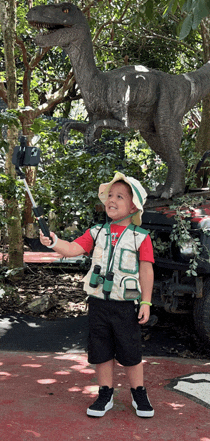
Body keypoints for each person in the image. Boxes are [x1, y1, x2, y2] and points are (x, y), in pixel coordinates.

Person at [40, 172, 154, 418]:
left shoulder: (141, 237)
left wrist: (145, 301)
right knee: (100, 351)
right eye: (109, 195)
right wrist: (53, 242)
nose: (111, 200)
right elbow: (71, 249)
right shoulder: (96, 232)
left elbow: (146, 269)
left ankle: (139, 392)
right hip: (99, 304)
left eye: (119, 196)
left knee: (131, 351)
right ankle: (105, 393)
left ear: (134, 205)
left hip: (126, 306)